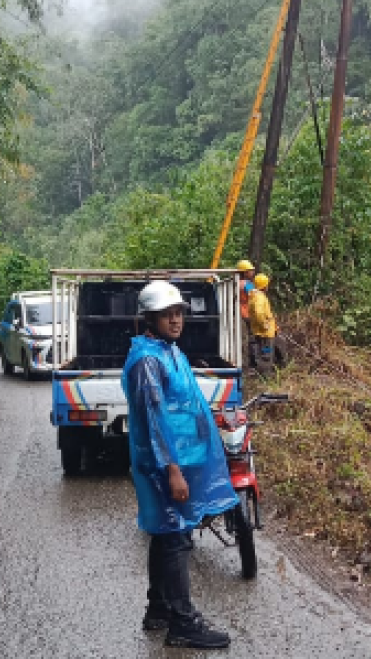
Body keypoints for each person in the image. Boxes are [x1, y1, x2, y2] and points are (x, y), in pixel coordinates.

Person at [122, 280, 238, 650]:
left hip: (182, 458)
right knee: (175, 538)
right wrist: (171, 469)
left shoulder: (169, 351)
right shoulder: (148, 361)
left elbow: (187, 405)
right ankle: (184, 623)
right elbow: (155, 419)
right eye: (166, 315)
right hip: (165, 463)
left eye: (178, 313)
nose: (175, 320)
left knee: (166, 532)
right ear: (150, 319)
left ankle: (158, 610)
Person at [248, 273, 278, 374]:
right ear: (264, 285)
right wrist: (264, 325)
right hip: (265, 333)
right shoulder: (259, 297)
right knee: (266, 354)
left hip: (261, 331)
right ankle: (266, 377)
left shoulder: (254, 296)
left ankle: (264, 373)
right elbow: (258, 312)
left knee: (264, 354)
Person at [236, 259, 258, 367]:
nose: (252, 272)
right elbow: (255, 298)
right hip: (247, 315)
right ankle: (252, 362)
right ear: (244, 272)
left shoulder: (233, 283)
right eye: (250, 270)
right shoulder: (248, 284)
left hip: (236, 314)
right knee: (252, 339)